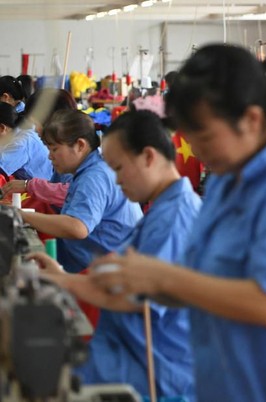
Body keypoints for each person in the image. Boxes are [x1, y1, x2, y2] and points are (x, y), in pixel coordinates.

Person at [83, 45, 266, 401]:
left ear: (251, 120)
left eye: (204, 138)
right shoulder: (225, 182)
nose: (195, 151)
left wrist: (162, 276)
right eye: (190, 139)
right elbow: (205, 283)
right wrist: (133, 277)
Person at [32, 110, 198, 400]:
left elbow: (131, 297)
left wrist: (63, 282)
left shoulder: (173, 220)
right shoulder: (163, 209)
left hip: (149, 369)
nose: (116, 181)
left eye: (119, 168)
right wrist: (60, 277)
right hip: (125, 348)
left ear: (148, 157)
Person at [20, 109, 143, 273]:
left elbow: (77, 227)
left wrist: (23, 215)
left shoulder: (94, 177)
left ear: (80, 145)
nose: (50, 156)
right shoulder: (92, 169)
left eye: (54, 149)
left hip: (109, 275)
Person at [1, 89, 77, 205]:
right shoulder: (61, 154)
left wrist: (29, 185)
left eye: (36, 124)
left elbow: (75, 195)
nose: (35, 130)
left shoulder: (23, 141)